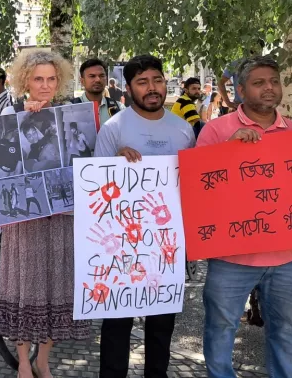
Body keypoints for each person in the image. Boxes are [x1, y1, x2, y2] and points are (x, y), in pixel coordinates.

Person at [197, 55, 292, 378]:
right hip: (232, 258)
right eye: (259, 83)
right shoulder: (216, 131)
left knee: (286, 329)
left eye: (274, 82)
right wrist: (229, 151)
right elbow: (200, 189)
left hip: (287, 258)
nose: (269, 89)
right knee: (220, 327)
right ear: (241, 89)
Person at [93, 55, 196, 378]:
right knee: (116, 324)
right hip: (122, 245)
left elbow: (191, 187)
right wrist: (115, 162)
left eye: (157, 80)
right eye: (142, 82)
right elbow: (97, 187)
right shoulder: (114, 128)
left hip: (167, 245)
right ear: (128, 88)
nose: (152, 88)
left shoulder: (183, 130)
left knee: (162, 325)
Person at [0, 49, 91, 378]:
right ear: (25, 81)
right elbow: (0, 161)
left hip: (63, 218)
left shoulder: (72, 113)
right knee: (24, 287)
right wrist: (25, 123)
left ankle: (43, 359)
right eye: (38, 79)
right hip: (24, 219)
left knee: (57, 287)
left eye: (51, 79)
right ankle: (22, 360)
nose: (45, 85)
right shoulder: (9, 112)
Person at [72, 58, 123, 126]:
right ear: (82, 81)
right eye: (92, 76)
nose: (98, 80)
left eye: (101, 76)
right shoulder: (70, 109)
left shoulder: (119, 108)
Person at [217, 41, 265, 112]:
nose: (258, 50)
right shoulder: (236, 64)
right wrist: (228, 103)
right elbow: (220, 83)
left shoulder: (265, 66)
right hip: (242, 107)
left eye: (259, 47)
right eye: (256, 47)